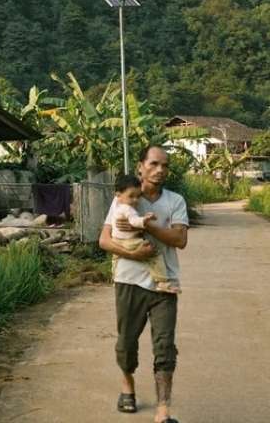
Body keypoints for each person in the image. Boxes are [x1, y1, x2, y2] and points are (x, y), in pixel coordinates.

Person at [99, 146, 188, 423]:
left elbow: (180, 239)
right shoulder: (124, 197)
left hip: (165, 285)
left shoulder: (175, 201)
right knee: (126, 344)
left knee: (164, 346)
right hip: (129, 281)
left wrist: (147, 227)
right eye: (153, 164)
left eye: (165, 165)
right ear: (140, 166)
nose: (159, 170)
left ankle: (163, 411)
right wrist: (133, 253)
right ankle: (128, 386)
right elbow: (104, 240)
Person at [108, 174, 180, 294]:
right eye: (131, 196)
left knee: (118, 258)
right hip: (129, 242)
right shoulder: (128, 208)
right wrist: (146, 220)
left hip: (118, 241)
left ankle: (115, 276)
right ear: (118, 195)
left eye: (138, 196)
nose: (135, 200)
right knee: (154, 254)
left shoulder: (118, 206)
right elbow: (134, 221)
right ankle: (162, 281)